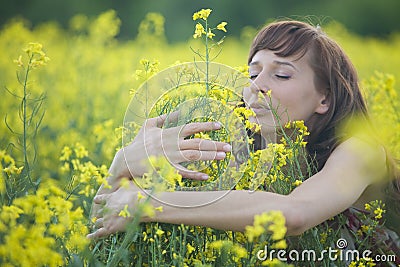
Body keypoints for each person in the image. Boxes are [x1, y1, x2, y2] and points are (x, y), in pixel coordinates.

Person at [88, 20, 400, 254]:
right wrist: (122, 165)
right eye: (252, 74)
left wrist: (145, 203)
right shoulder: (238, 149)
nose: (256, 85)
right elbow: (101, 225)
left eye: (281, 74)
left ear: (325, 99)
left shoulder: (361, 151)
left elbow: (295, 213)